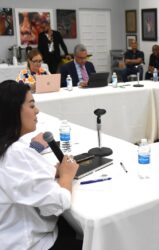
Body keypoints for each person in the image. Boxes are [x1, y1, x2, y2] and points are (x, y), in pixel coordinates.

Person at [0, 80, 81, 249]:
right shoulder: (15, 153)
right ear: (14, 111)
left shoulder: (9, 148)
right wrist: (66, 176)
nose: (37, 111)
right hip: (30, 243)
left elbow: (20, 179)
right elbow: (57, 205)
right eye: (31, 106)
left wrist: (53, 170)